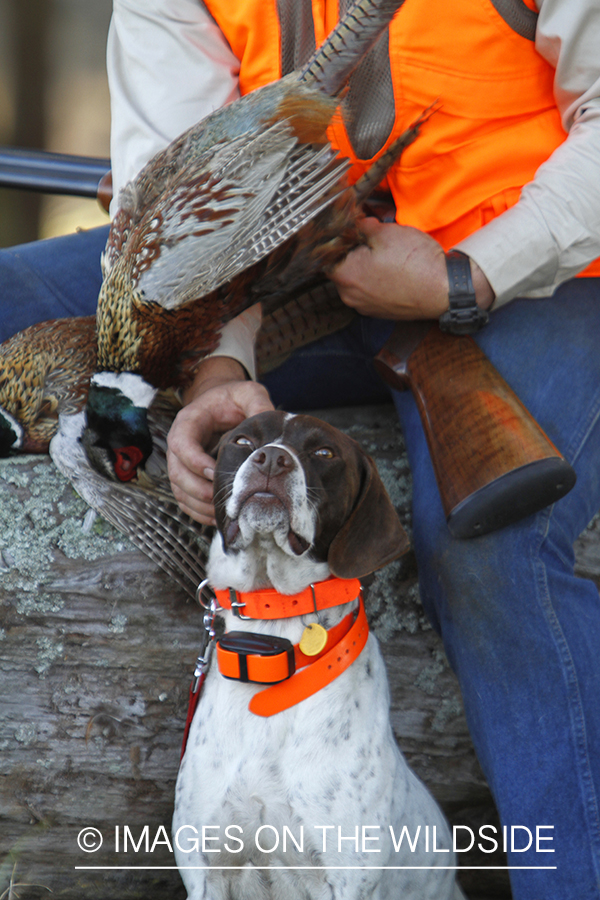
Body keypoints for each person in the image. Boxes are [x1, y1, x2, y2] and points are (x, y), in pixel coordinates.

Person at [2, 1, 600, 897]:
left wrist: (462, 276)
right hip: (277, 280)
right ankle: (129, 467)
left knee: (497, 544)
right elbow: (170, 203)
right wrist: (212, 370)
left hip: (529, 264)